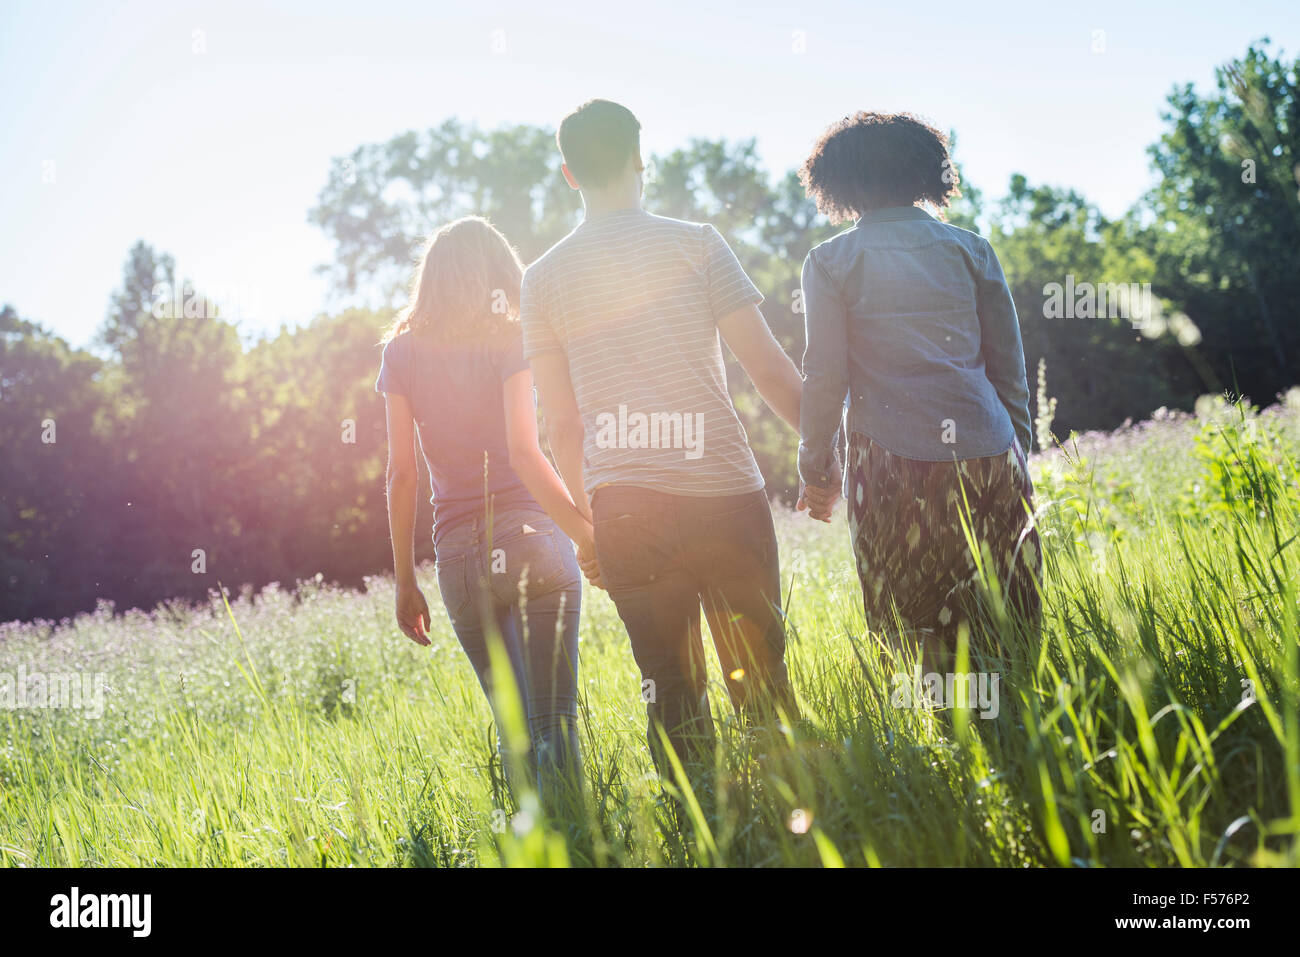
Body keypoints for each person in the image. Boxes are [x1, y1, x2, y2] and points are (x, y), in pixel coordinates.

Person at [520, 99, 804, 773]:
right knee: (762, 683)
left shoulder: (542, 279)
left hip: (626, 508)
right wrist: (830, 454)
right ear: (639, 159)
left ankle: (700, 832)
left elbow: (562, 423)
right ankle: (796, 827)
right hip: (725, 494)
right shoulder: (698, 243)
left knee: (672, 694)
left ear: (569, 174)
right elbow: (765, 366)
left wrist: (589, 528)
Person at [796, 111, 1042, 671]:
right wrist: (1019, 451)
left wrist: (816, 467)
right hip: (991, 453)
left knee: (911, 631)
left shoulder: (830, 262)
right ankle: (1023, 743)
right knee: (1010, 627)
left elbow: (824, 376)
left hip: (890, 465)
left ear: (841, 184)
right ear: (928, 174)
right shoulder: (971, 250)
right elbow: (1010, 368)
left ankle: (940, 750)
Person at [377, 216, 599, 798]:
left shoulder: (400, 354)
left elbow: (402, 476)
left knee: (517, 735)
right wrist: (584, 533)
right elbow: (525, 452)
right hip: (530, 537)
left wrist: (405, 582)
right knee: (556, 726)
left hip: (456, 561)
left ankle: (535, 845)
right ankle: (580, 843)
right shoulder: (510, 337)